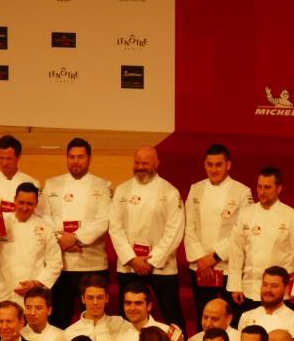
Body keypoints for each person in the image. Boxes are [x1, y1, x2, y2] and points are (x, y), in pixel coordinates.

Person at [110, 146, 186, 330]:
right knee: (129, 316)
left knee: (172, 315)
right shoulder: (122, 190)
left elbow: (174, 230)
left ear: (156, 163)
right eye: (137, 162)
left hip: (161, 266)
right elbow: (115, 227)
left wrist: (152, 260)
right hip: (130, 265)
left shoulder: (170, 191)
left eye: (145, 163)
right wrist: (132, 259)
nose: (140, 167)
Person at [44, 138, 114, 328]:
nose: (76, 161)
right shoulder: (51, 184)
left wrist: (75, 237)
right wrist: (61, 239)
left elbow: (104, 220)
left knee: (97, 320)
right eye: (72, 157)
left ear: (89, 159)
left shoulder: (103, 185)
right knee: (59, 318)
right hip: (61, 264)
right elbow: (44, 217)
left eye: (80, 157)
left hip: (92, 263)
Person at [185, 144, 252, 327]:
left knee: (232, 317)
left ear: (228, 165)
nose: (214, 169)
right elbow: (189, 226)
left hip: (227, 266)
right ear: (204, 165)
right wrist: (201, 260)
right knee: (204, 315)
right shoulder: (195, 189)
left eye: (218, 164)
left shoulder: (242, 192)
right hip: (200, 267)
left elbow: (240, 232)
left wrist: (214, 257)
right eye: (210, 164)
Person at [0, 134, 44, 299]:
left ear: (19, 157)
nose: (5, 163)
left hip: (22, 250)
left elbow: (37, 215)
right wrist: (9, 219)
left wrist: (0, 217)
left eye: (9, 158)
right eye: (1, 158)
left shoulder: (32, 183)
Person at [228, 166, 294, 317]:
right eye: (259, 186)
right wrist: (235, 285)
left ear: (278, 188)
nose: (261, 191)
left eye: (267, 187)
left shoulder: (292, 216)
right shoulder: (245, 214)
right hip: (250, 289)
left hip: (281, 293)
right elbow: (236, 252)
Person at [0, 182, 63, 307]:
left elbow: (55, 263)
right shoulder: (0, 222)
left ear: (36, 204)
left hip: (33, 295)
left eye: (29, 204)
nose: (24, 207)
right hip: (5, 293)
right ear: (14, 201)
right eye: (21, 202)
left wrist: (35, 283)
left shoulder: (45, 228)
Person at [236, 266, 294, 341]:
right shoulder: (246, 316)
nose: (268, 290)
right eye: (265, 284)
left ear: (286, 289)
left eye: (274, 286)